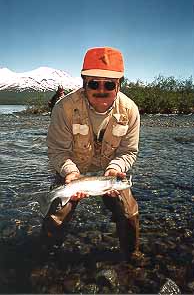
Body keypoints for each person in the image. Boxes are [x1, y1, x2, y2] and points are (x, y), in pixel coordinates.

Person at [42, 46, 141, 261]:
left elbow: (128, 152)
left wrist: (115, 168)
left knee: (130, 213)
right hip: (73, 169)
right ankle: (46, 256)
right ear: (84, 83)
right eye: (94, 83)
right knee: (56, 216)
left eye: (109, 84)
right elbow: (57, 150)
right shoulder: (63, 108)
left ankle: (132, 257)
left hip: (110, 173)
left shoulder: (130, 111)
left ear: (119, 85)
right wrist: (70, 172)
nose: (101, 90)